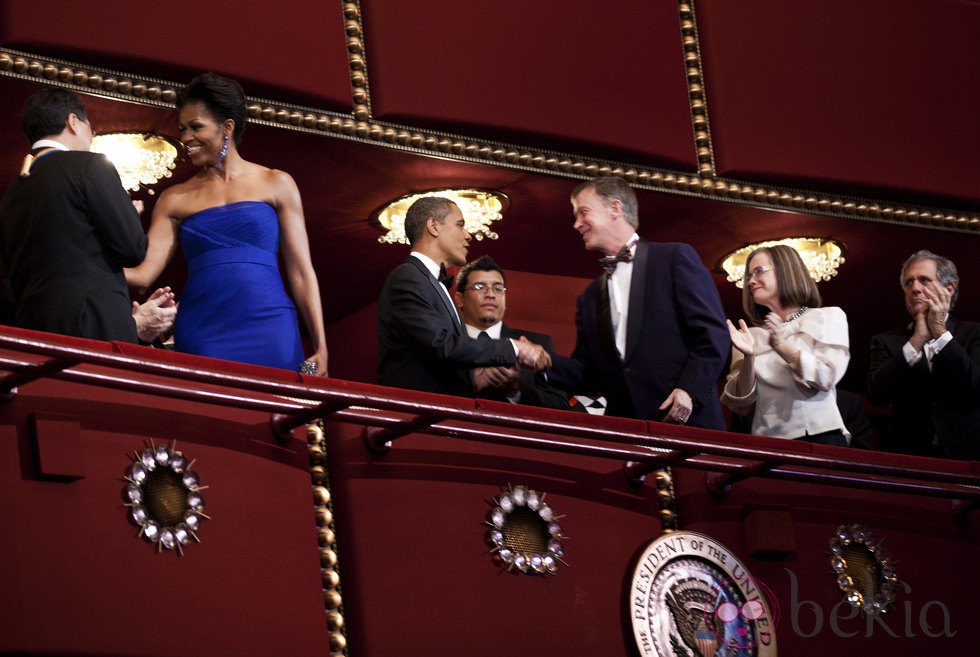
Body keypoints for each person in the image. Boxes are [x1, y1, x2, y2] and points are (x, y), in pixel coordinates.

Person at [125, 73, 327, 374]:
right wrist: (83, 260)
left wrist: (322, 345)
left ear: (227, 127)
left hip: (270, 324)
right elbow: (143, 275)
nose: (186, 137)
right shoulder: (173, 198)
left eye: (196, 127)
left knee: (278, 415)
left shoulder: (277, 183)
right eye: (183, 129)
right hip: (204, 327)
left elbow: (301, 271)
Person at [549, 176, 729, 429]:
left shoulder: (674, 258)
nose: (576, 224)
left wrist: (689, 390)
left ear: (615, 208)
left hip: (690, 424)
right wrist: (541, 361)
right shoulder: (589, 297)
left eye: (583, 212)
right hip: (628, 435)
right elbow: (587, 374)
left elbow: (713, 334)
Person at [0, 88, 174, 344]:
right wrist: (129, 214)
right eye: (88, 126)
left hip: (31, 331)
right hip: (92, 325)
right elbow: (133, 250)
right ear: (72, 121)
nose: (91, 135)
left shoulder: (11, 193)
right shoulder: (90, 165)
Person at [376, 196, 551, 395]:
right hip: (417, 416)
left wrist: (473, 379)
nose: (468, 235)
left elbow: (435, 358)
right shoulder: (408, 276)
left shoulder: (430, 282)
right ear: (433, 226)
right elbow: (441, 345)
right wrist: (514, 348)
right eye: (460, 225)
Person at [721, 245, 850, 444]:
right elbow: (741, 405)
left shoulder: (827, 317)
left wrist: (780, 345)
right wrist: (749, 357)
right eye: (748, 276)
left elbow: (826, 377)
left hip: (819, 437)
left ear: (785, 270)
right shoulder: (749, 336)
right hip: (766, 443)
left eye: (758, 271)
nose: (750, 281)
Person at [866, 250, 980, 459]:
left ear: (949, 289)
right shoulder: (886, 341)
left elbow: (975, 384)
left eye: (924, 280)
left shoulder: (974, 334)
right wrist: (915, 342)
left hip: (968, 458)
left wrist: (940, 332)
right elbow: (877, 394)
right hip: (907, 458)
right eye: (909, 283)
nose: (915, 288)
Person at [455, 255, 569, 410]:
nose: (490, 294)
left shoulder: (538, 345)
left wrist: (515, 392)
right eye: (479, 287)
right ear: (460, 299)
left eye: (498, 288)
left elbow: (560, 407)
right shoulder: (447, 343)